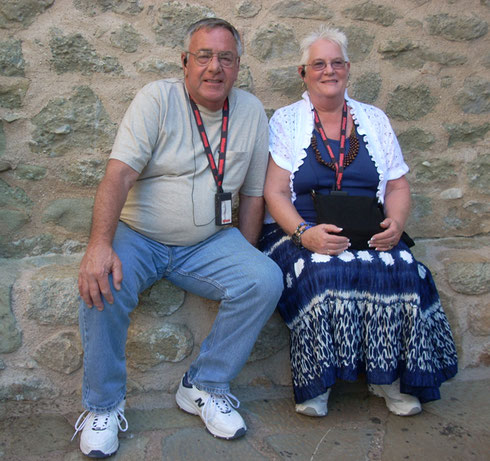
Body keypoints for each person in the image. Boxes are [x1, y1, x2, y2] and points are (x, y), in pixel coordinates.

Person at [72, 18, 283, 458]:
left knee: (263, 279)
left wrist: (243, 254)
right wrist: (99, 245)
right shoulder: (157, 99)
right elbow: (119, 175)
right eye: (203, 56)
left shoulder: (250, 112)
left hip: (208, 242)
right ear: (185, 62)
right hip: (140, 235)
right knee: (101, 284)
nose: (214, 67)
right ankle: (103, 406)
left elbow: (253, 195)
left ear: (238, 66)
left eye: (225, 57)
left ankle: (204, 385)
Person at [260, 25, 457, 418]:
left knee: (404, 271)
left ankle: (389, 379)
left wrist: (396, 224)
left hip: (369, 230)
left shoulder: (374, 119)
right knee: (319, 273)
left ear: (348, 69)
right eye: (318, 64)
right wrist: (304, 233)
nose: (328, 70)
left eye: (337, 63)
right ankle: (318, 383)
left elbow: (398, 186)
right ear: (303, 73)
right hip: (301, 230)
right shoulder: (286, 120)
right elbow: (275, 193)